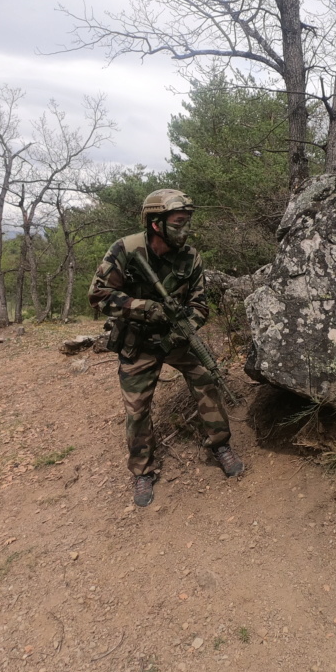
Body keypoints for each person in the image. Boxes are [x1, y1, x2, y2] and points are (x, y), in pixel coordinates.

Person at [88, 188, 244, 507]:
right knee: (137, 408)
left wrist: (181, 329)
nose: (185, 230)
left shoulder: (191, 257)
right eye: (178, 223)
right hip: (137, 340)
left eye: (187, 222)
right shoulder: (126, 249)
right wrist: (143, 307)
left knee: (206, 378)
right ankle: (142, 472)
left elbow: (200, 305)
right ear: (156, 223)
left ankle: (219, 445)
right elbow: (98, 295)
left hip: (174, 338)